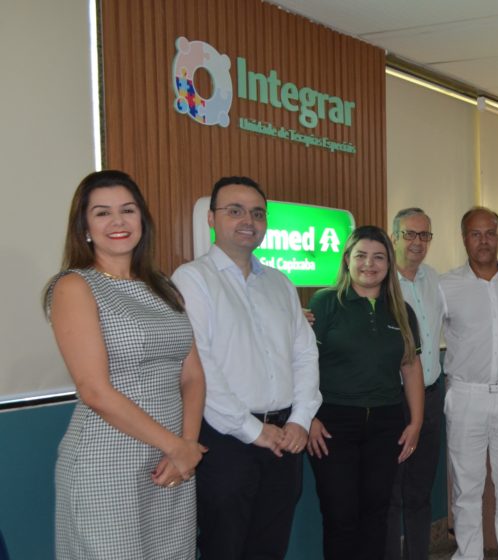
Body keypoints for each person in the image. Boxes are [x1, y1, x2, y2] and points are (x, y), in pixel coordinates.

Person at [44, 170, 206, 559]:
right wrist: (176, 447)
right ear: (84, 228)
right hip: (107, 461)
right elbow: (94, 391)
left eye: (127, 210)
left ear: (142, 219)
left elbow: (192, 375)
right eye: (102, 213)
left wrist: (186, 447)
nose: (118, 221)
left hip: (171, 463)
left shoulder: (163, 286)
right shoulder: (74, 286)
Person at [172, 176, 321, 560]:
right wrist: (252, 430)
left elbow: (305, 354)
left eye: (257, 213)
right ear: (211, 218)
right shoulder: (192, 279)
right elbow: (201, 366)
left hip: (285, 438)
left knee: (270, 547)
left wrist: (300, 420)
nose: (248, 221)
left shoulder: (280, 283)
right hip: (226, 441)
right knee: (224, 547)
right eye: (235, 211)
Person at [306, 225, 425, 559]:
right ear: (347, 260)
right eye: (361, 256)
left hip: (386, 424)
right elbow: (304, 364)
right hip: (333, 424)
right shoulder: (325, 302)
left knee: (376, 514)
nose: (369, 264)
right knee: (340, 516)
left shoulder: (402, 311)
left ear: (389, 263)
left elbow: (410, 367)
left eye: (378, 257)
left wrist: (416, 422)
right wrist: (308, 417)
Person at [440, 207, 498, 560]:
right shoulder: (445, 286)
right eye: (475, 234)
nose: (483, 241)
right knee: (466, 491)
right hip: (466, 397)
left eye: (490, 233)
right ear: (464, 238)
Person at [385, 208, 445, 560]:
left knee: (420, 493)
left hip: (432, 398)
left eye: (424, 235)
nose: (417, 242)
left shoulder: (433, 279)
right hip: (393, 403)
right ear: (394, 236)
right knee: (392, 495)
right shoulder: (380, 280)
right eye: (409, 234)